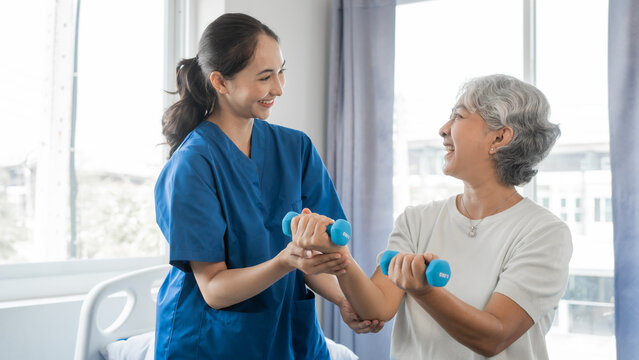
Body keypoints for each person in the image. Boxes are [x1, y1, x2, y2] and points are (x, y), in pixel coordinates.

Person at [291, 74, 573, 359]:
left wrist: (425, 292)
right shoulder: (417, 220)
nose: (443, 129)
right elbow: (375, 309)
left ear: (500, 137)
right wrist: (340, 256)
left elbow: (493, 336)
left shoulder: (543, 233)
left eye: (459, 117)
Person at [153, 13, 382, 360]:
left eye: (281, 71)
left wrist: (343, 299)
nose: (278, 88)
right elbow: (214, 288)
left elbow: (316, 253)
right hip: (211, 342)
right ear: (220, 81)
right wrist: (285, 261)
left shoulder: (296, 148)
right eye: (265, 77)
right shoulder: (193, 165)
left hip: (290, 335)